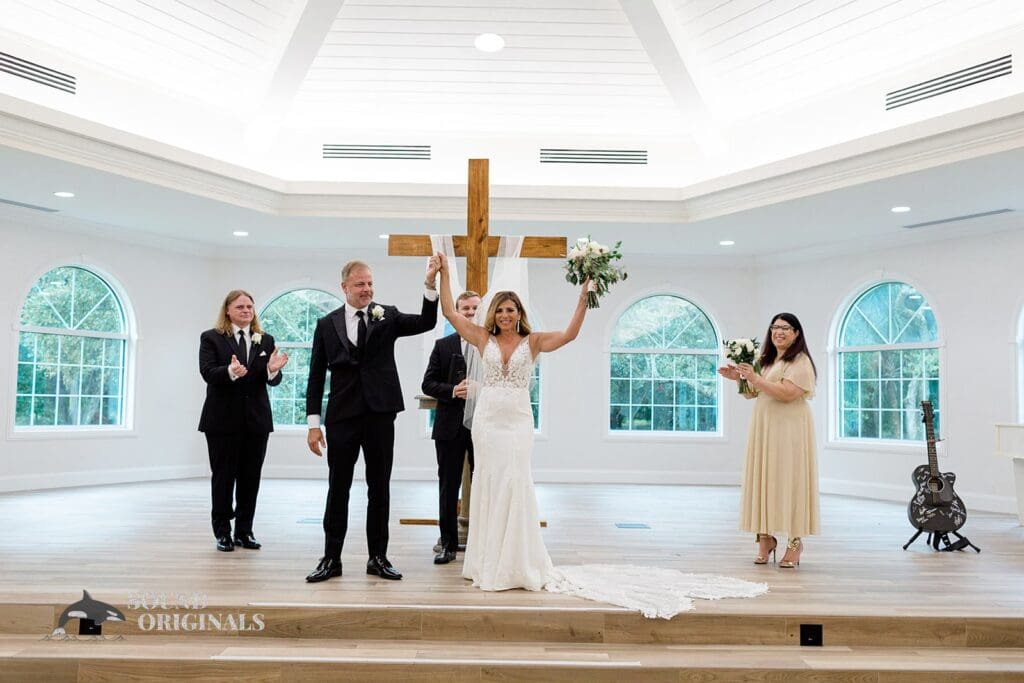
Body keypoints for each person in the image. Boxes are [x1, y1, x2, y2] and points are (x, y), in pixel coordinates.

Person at [304, 257, 440, 583]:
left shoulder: (387, 315)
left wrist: (430, 284)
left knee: (379, 488)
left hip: (380, 414)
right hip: (341, 417)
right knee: (338, 488)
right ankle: (331, 558)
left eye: (369, 283)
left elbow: (426, 321)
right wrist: (313, 424)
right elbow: (314, 376)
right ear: (344, 288)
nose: (367, 289)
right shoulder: (326, 325)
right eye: (360, 284)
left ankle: (378, 557)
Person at [718, 312, 820, 568]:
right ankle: (765, 538)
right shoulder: (768, 360)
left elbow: (787, 393)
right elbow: (752, 393)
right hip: (765, 427)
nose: (779, 332)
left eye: (785, 328)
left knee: (790, 480)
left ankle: (795, 542)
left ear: (796, 333)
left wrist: (755, 378)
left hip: (790, 429)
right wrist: (740, 379)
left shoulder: (800, 361)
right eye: (775, 327)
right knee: (765, 478)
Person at [198, 290, 289, 552]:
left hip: (256, 421)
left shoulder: (266, 340)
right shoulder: (211, 338)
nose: (246, 310)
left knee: (251, 478)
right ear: (227, 310)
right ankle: (223, 532)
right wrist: (230, 371)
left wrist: (272, 370)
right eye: (240, 306)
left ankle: (244, 531)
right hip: (221, 421)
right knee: (223, 478)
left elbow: (273, 380)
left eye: (250, 306)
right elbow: (207, 372)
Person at [421, 290, 482, 564]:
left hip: (483, 425)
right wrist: (452, 390)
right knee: (448, 486)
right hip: (449, 426)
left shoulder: (490, 344)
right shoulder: (443, 345)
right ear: (456, 312)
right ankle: (448, 544)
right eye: (464, 308)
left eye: (474, 308)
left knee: (485, 484)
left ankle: (483, 543)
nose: (469, 313)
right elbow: (428, 383)